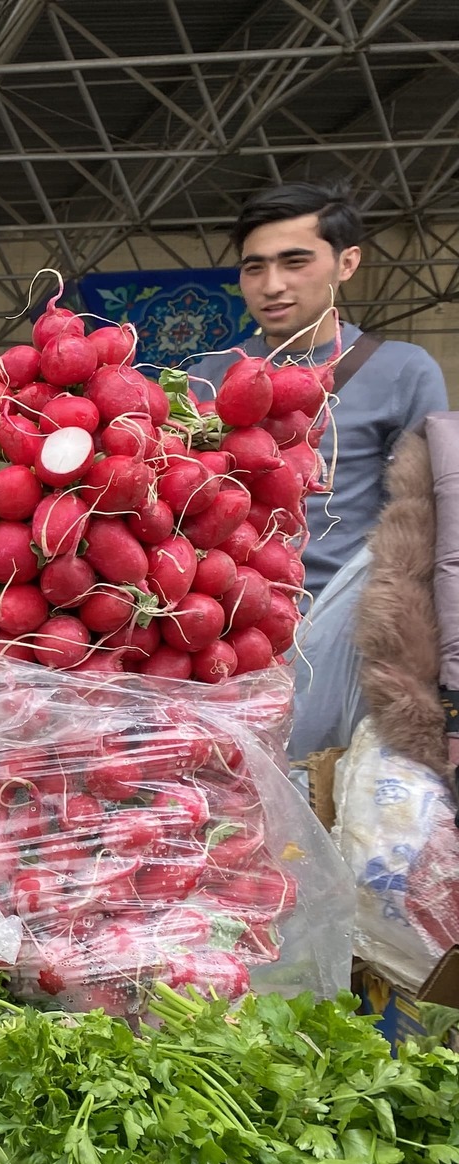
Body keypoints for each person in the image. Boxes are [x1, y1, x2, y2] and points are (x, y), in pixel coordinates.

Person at [189, 181, 448, 756]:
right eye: (254, 268)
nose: (272, 285)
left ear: (347, 262)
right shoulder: (205, 377)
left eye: (295, 262)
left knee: (315, 800)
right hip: (217, 637)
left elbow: (432, 521)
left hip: (335, 639)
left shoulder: (403, 370)